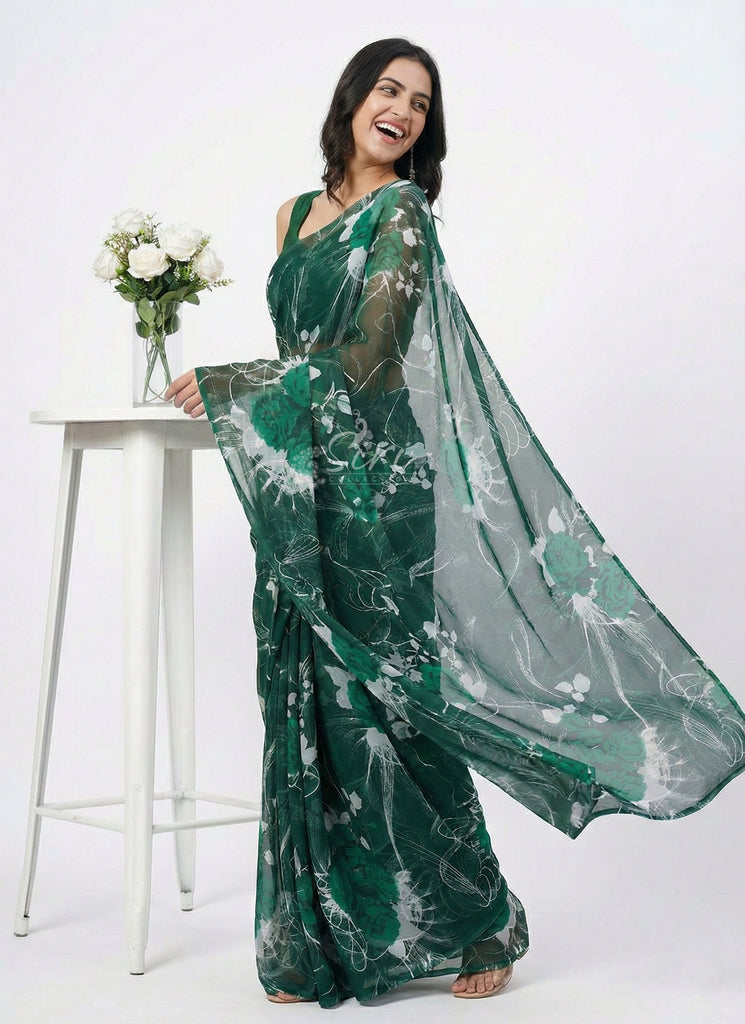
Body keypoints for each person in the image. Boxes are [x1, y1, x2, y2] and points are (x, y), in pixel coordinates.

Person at [166, 38, 745, 1008]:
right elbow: (303, 348)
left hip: (381, 489)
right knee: (305, 703)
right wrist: (261, 392)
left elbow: (373, 357)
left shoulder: (402, 215)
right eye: (387, 90)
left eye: (421, 103)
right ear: (351, 98)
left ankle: (481, 922)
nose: (401, 111)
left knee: (397, 707)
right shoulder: (292, 215)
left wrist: (235, 384)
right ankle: (317, 938)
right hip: (302, 484)